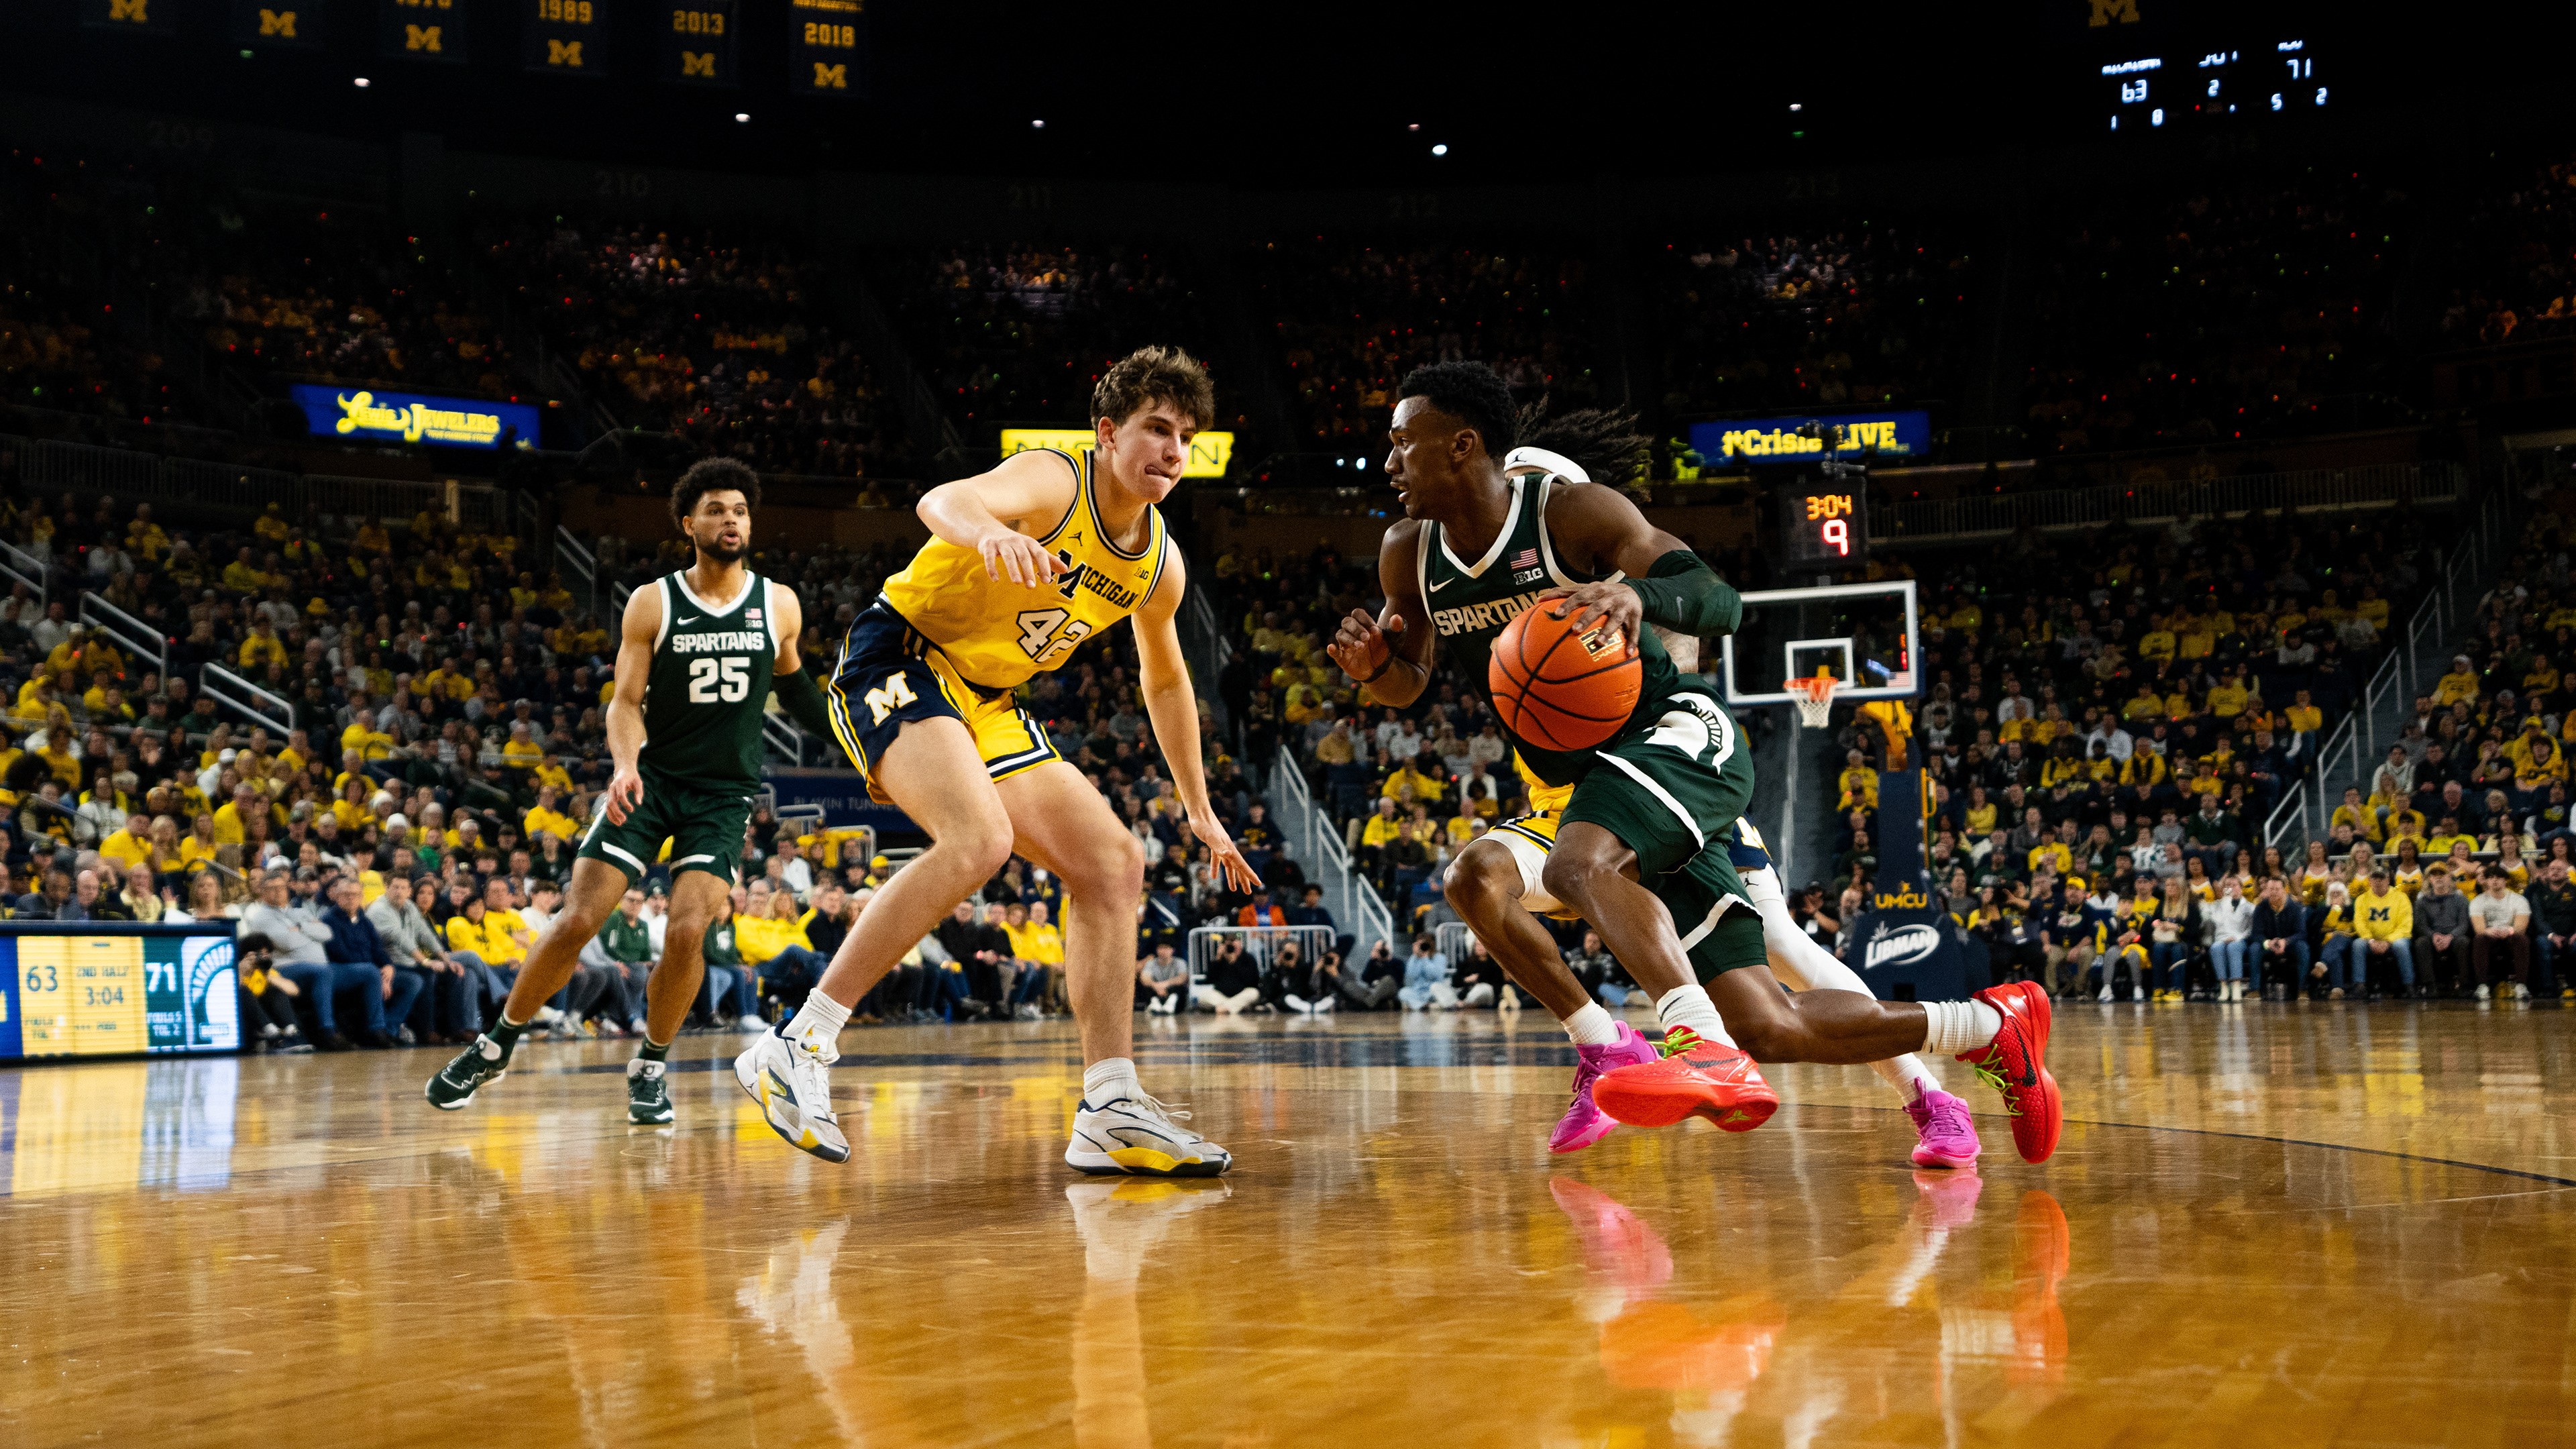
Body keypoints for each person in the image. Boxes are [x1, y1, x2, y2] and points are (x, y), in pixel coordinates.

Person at [1326, 362, 2055, 1164]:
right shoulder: (1409, 554)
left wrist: (1645, 597)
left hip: (1674, 746)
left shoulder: (1571, 514)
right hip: (1574, 793)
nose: (1386, 463)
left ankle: (1888, 1090)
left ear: (1466, 447)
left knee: (1768, 940)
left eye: (1401, 444)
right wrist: (1374, 674)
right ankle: (1992, 1027)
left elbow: (1719, 599)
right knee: (1758, 1020)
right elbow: (1411, 679)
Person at [742, 347, 1256, 1176]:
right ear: (1106, 433)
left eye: (1186, 437)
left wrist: (1196, 804)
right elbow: (945, 498)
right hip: (902, 655)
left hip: (986, 699)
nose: (1172, 451)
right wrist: (987, 534)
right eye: (1156, 429)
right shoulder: (1057, 480)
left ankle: (1110, 1105)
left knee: (1115, 865)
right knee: (977, 840)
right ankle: (797, 1046)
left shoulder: (1159, 564)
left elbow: (1165, 678)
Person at [427, 459, 839, 1126]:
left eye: (740, 509)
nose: (731, 519)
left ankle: (650, 1064)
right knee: (577, 921)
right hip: (653, 778)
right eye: (716, 509)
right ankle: (496, 1043)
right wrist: (624, 764)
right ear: (689, 524)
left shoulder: (779, 602)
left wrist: (860, 739)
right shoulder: (654, 600)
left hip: (722, 795)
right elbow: (624, 702)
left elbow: (794, 689)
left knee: (684, 933)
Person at [2468, 866, 2534, 1000]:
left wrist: (2509, 931)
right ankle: (2482, 986)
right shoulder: (2478, 901)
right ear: (2486, 881)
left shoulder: (2519, 900)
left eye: (2498, 878)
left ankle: (2521, 985)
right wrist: (2489, 931)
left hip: (2510, 935)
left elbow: (2521, 927)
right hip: (2490, 936)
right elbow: (2479, 928)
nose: (2495, 881)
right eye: (2491, 878)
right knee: (2479, 939)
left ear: (2505, 881)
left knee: (2522, 939)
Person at [1136, 941, 1189, 1014]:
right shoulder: (1151, 963)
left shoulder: (1180, 962)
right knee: (1146, 986)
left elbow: (1182, 978)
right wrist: (1155, 985)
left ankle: (1170, 1004)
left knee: (1180, 987)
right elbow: (1145, 978)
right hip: (1156, 991)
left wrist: (1165, 984)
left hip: (1172, 991)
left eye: (1166, 948)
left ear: (1172, 950)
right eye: (1160, 948)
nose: (1163, 951)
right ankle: (1154, 1003)